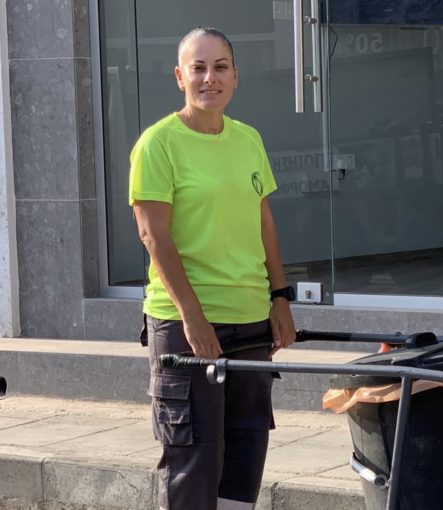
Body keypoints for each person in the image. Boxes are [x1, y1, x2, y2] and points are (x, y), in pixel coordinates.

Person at [128, 27, 296, 510]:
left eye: (220, 67)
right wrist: (193, 317)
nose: (210, 78)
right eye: (198, 68)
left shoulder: (248, 139)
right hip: (187, 327)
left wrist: (279, 297)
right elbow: (154, 237)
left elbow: (263, 222)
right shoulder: (158, 144)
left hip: (251, 319)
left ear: (235, 76)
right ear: (179, 77)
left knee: (245, 457)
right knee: (195, 463)